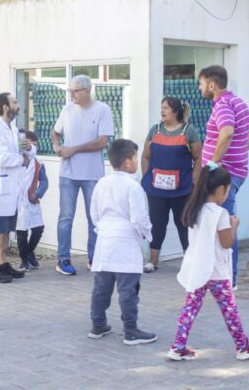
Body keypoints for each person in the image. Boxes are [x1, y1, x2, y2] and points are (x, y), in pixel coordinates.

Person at [167, 163, 249, 361]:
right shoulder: (220, 214)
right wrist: (233, 226)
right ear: (221, 190)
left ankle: (178, 346)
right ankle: (243, 345)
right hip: (217, 271)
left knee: (189, 309)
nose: (227, 194)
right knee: (230, 311)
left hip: (198, 269)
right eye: (228, 190)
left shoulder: (194, 209)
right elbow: (227, 243)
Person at [88, 139, 156, 346]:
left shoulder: (101, 183)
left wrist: (103, 229)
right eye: (135, 157)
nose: (137, 161)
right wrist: (147, 235)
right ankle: (131, 330)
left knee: (101, 289)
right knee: (128, 290)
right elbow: (139, 218)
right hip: (126, 243)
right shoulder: (133, 187)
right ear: (127, 162)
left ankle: (98, 325)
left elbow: (94, 213)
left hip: (105, 243)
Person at [198, 65, 249, 287]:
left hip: (224, 176)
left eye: (202, 83)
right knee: (222, 222)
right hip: (235, 171)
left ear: (212, 85)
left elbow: (227, 132)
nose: (200, 88)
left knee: (225, 224)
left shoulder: (222, 105)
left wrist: (213, 163)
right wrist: (241, 151)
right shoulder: (238, 102)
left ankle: (228, 279)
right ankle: (221, 275)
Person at [51, 75, 114, 276]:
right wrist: (57, 147)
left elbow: (102, 142)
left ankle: (94, 257)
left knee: (94, 218)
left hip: (92, 174)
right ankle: (63, 259)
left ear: (87, 90)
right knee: (65, 217)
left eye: (75, 91)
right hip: (68, 174)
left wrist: (73, 150)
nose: (71, 95)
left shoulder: (102, 110)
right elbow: (55, 132)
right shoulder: (67, 110)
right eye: (70, 91)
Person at [141, 97, 202, 272]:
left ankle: (189, 262)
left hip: (182, 189)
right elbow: (146, 156)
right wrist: (146, 178)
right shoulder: (155, 130)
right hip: (156, 189)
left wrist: (194, 181)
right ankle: (153, 261)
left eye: (166, 108)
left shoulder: (188, 132)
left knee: (183, 222)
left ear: (175, 111)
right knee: (156, 223)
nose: (162, 111)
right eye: (161, 107)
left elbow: (199, 158)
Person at [0, 93, 33, 283]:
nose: (18, 106)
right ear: (5, 107)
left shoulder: (12, 128)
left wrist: (28, 148)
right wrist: (22, 159)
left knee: (6, 229)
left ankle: (2, 263)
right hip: (0, 187)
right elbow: (2, 158)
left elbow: (22, 151)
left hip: (12, 188)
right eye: (14, 103)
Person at [16, 131, 48, 272]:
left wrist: (37, 194)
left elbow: (45, 182)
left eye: (34, 146)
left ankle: (29, 252)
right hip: (18, 201)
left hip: (32, 200)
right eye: (29, 144)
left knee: (38, 228)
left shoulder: (38, 163)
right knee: (21, 232)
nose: (32, 148)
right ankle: (24, 260)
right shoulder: (15, 160)